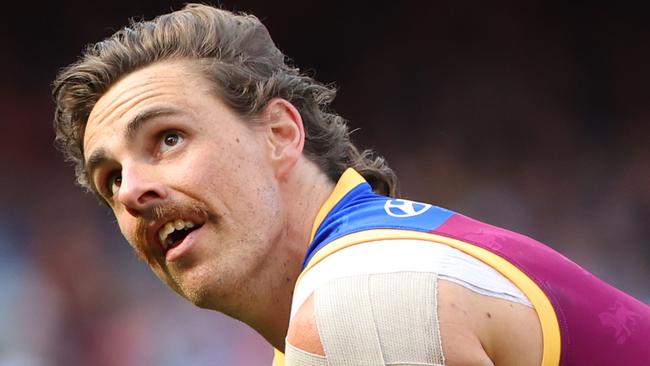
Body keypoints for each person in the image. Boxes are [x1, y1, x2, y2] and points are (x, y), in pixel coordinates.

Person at [52, 3, 649, 366]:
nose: (131, 192)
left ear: (282, 135)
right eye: (111, 179)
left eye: (168, 138)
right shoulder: (366, 275)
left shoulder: (363, 295)